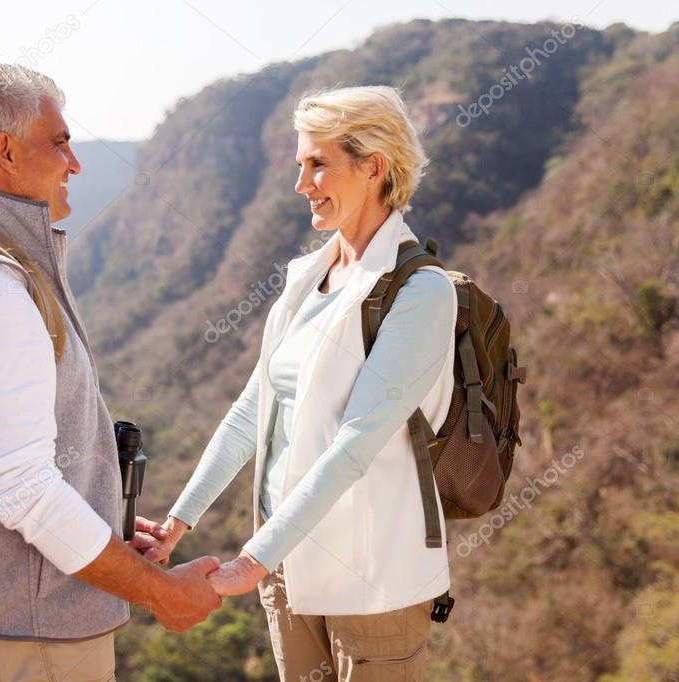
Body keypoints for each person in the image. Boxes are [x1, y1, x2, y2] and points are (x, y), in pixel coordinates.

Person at [0, 63, 220, 682]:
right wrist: (160, 591)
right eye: (61, 142)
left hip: (25, 624)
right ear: (7, 152)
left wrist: (100, 510)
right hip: (36, 637)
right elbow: (25, 493)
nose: (74, 163)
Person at [134, 86, 457, 682]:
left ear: (375, 166)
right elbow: (251, 412)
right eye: (299, 165)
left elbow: (354, 445)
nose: (301, 184)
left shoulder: (421, 293)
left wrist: (252, 560)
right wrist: (177, 522)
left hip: (371, 579)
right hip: (286, 568)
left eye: (318, 165)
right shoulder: (308, 277)